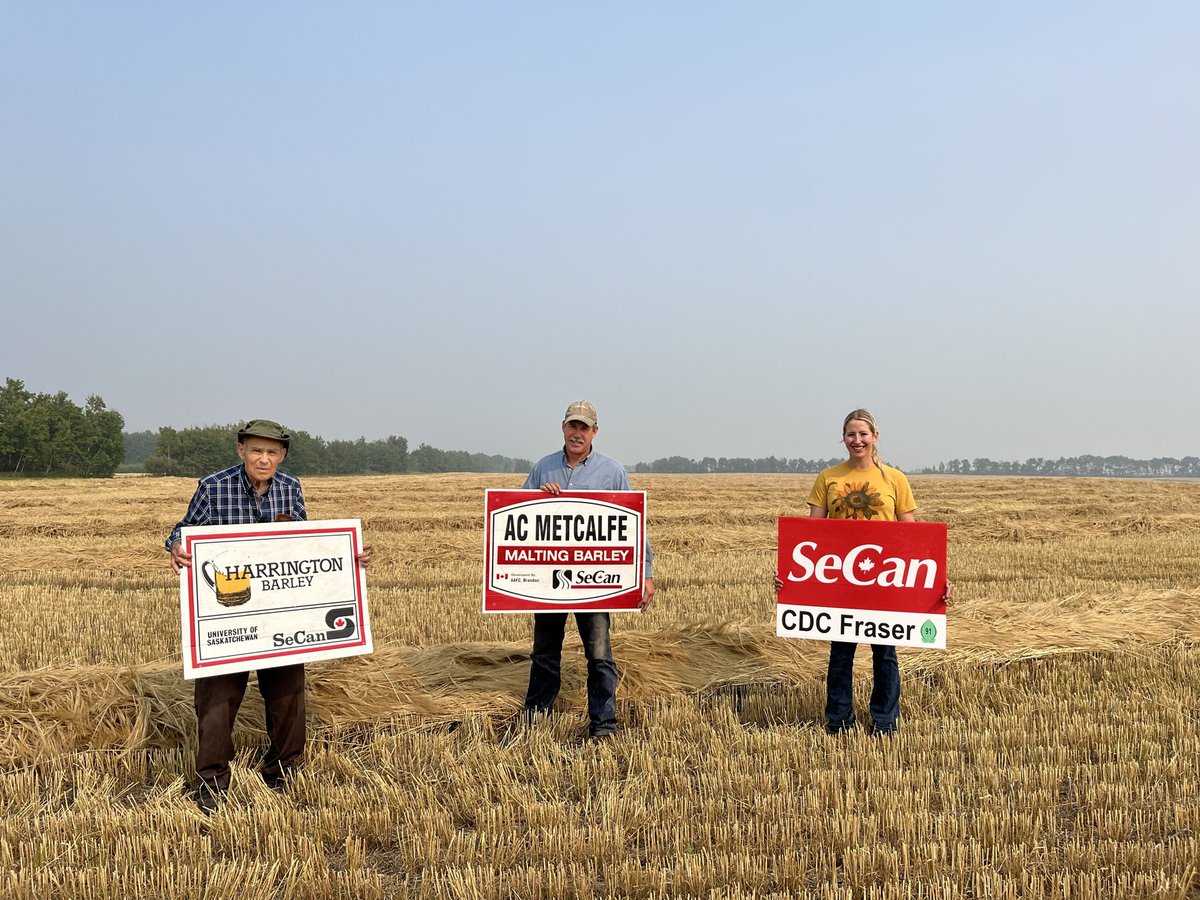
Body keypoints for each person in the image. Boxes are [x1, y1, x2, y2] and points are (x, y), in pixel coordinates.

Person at [166, 419, 371, 811]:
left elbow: (305, 543)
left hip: (280, 614)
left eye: (272, 452)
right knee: (217, 697)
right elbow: (182, 530)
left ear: (283, 455)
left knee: (289, 693)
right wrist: (176, 545)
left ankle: (283, 773)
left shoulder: (290, 488)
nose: (264, 459)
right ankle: (212, 784)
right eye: (257, 450)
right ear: (241, 450)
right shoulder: (213, 487)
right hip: (229, 614)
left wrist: (349, 556)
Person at [775, 408, 950, 736]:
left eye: (863, 434)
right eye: (851, 434)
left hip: (883, 579)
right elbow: (811, 535)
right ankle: (839, 721)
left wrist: (934, 580)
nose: (857, 440)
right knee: (841, 653)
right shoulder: (829, 477)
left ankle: (885, 721)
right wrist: (790, 574)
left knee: (885, 654)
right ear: (843, 438)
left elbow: (911, 537)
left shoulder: (895, 479)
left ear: (875, 437)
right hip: (842, 581)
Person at [522, 400, 654, 739]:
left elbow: (634, 526)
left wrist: (646, 573)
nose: (577, 433)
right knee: (545, 654)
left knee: (599, 654)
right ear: (563, 427)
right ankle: (536, 719)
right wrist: (540, 497)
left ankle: (604, 724)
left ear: (595, 432)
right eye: (572, 425)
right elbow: (518, 514)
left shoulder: (612, 472)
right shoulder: (543, 469)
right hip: (549, 581)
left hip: (594, 582)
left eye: (584, 427)